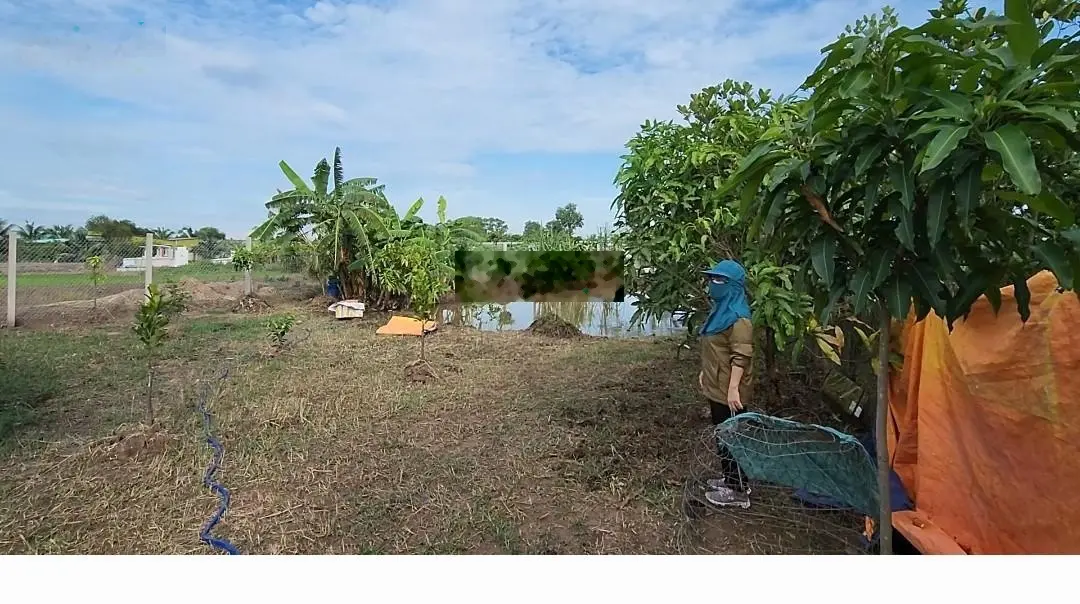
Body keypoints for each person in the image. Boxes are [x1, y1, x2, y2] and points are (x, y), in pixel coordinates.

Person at [697, 259, 754, 509]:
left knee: (732, 438)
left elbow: (740, 355)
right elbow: (715, 350)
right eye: (712, 279)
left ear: (733, 286)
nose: (713, 284)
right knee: (723, 436)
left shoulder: (739, 317)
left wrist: (733, 389)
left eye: (719, 280)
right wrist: (704, 373)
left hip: (729, 391)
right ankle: (731, 479)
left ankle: (738, 491)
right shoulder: (721, 311)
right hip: (717, 385)